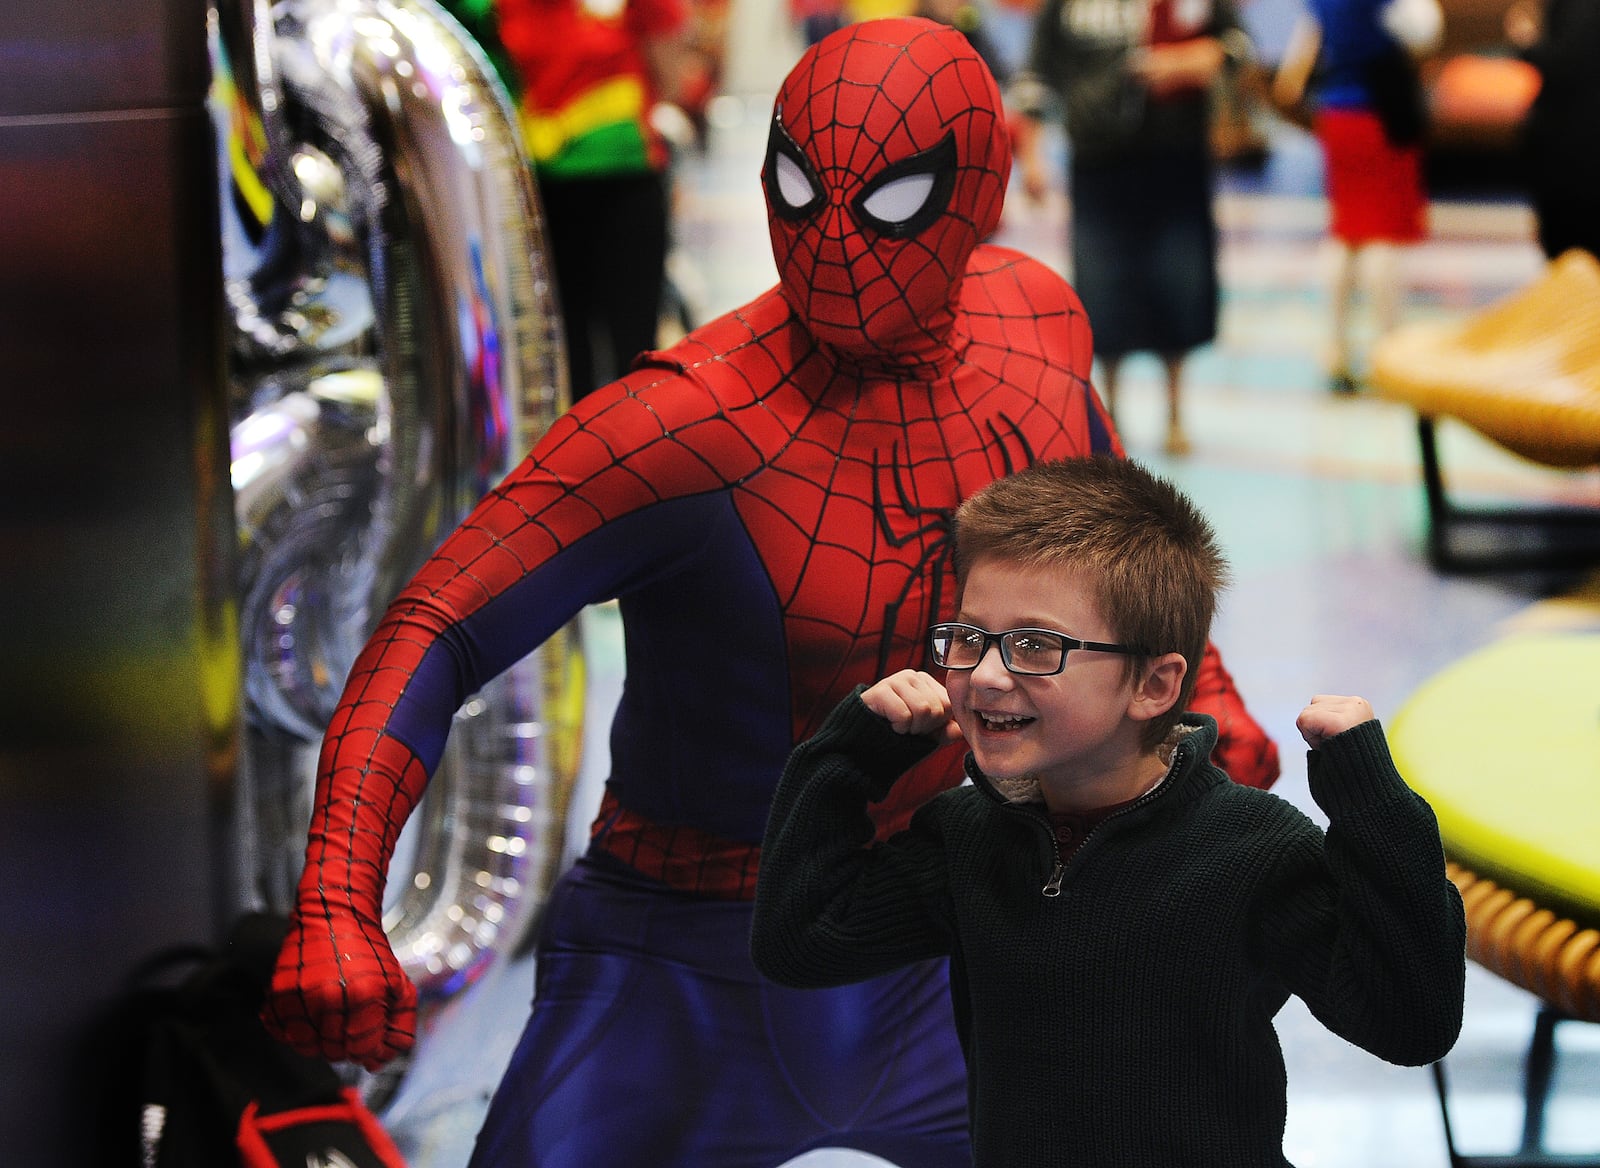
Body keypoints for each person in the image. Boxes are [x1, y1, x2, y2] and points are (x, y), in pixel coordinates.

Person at [261, 19, 1279, 1167]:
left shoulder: (1033, 330)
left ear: (977, 191)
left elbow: (1109, 520)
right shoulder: (682, 425)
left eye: (887, 203)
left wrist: (1209, 695)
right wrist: (338, 901)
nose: (831, 245)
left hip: (960, 928)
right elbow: (435, 627)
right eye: (799, 190)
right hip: (691, 956)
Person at [752, 454, 1468, 1167]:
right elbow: (803, 938)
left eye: (1036, 645)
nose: (987, 675)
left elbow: (1407, 1022)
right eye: (969, 638)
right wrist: (849, 756)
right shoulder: (968, 836)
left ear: (1154, 686)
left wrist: (1373, 806)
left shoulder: (1252, 850)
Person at [1015, 0, 1253, 455]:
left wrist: (1194, 59)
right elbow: (1036, 76)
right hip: (1097, 162)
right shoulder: (1063, 7)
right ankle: (1111, 415)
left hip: (1176, 158)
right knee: (1103, 293)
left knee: (1180, 287)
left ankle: (1176, 411)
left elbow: (1240, 47)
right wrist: (1031, 154)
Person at [466, 0, 705, 402]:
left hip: (597, 180)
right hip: (569, 183)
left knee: (598, 345)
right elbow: (670, 67)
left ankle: (610, 451)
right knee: (596, 347)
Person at [1271, 0, 1442, 395]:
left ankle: (1334, 352)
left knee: (1346, 232)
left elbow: (1299, 62)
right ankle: (1389, 354)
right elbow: (1424, 32)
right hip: (1382, 113)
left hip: (1337, 113)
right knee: (1384, 235)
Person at [1508, 0, 1600, 262]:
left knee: (1572, 241)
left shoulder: (1581, 7)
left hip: (1576, 144)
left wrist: (1526, 41)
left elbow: (1566, 62)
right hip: (1575, 141)